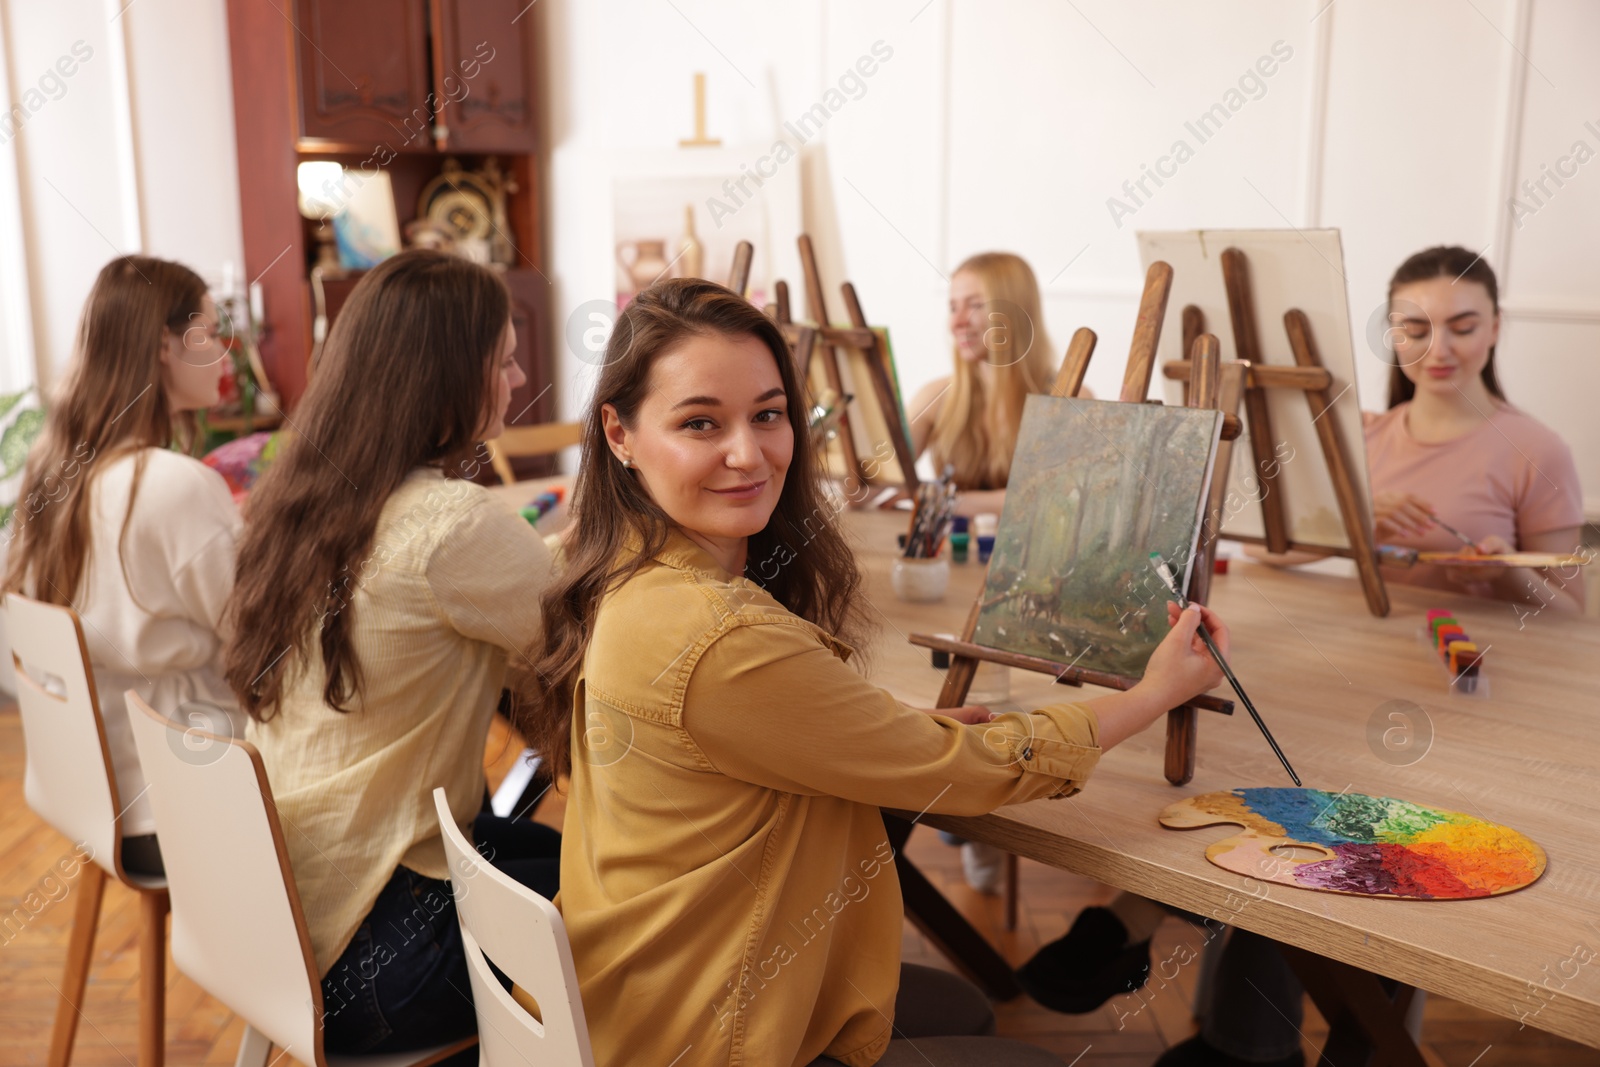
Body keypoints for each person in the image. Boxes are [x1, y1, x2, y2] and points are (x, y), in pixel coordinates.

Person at [519, 277, 1232, 1066]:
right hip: (709, 1030)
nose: (749, 454)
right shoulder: (719, 635)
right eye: (699, 423)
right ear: (619, 433)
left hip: (631, 991)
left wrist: (893, 730)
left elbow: (773, 723)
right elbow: (964, 768)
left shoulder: (618, 570)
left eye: (768, 414)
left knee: (961, 1006)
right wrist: (1156, 691)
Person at [1023, 246, 1588, 1066]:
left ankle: (1182, 971)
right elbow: (1280, 551)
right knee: (1274, 782)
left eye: (1463, 326)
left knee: (1360, 825)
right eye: (1415, 326)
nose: (1440, 348)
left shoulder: (1536, 448)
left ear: (1495, 329)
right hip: (1361, 679)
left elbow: (1572, 615)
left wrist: (1491, 562)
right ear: (1388, 332)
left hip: (1470, 706)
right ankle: (1233, 1029)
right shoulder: (1359, 434)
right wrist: (1350, 519)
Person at [224, 249, 559, 1056]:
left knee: (571, 856)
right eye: (504, 361)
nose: (515, 381)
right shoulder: (451, 522)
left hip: (280, 924)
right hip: (381, 959)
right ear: (445, 376)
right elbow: (591, 644)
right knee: (652, 894)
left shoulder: (303, 501)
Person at [2, 254, 242, 878]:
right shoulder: (171, 486)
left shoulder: (55, 473)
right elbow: (260, 642)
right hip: (188, 803)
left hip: (100, 800)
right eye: (212, 334)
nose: (225, 354)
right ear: (166, 344)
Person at [907, 252, 1066, 518]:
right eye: (953, 307)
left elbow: (1048, 497)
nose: (957, 323)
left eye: (975, 305)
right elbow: (872, 484)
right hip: (952, 556)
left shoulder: (1068, 397)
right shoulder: (935, 396)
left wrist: (939, 498)